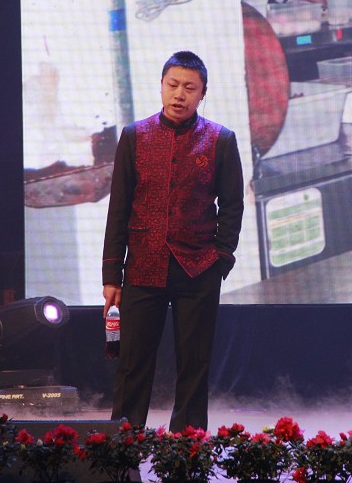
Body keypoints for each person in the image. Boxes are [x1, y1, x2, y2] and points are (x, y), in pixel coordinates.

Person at [102, 51, 244, 432]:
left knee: (194, 364)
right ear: (162, 86)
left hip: (198, 269)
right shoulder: (134, 136)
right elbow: (118, 209)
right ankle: (122, 446)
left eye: (189, 88)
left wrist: (221, 258)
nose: (180, 94)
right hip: (142, 267)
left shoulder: (220, 140)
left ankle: (187, 448)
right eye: (173, 85)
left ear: (203, 93)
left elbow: (232, 205)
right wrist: (112, 276)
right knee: (133, 363)